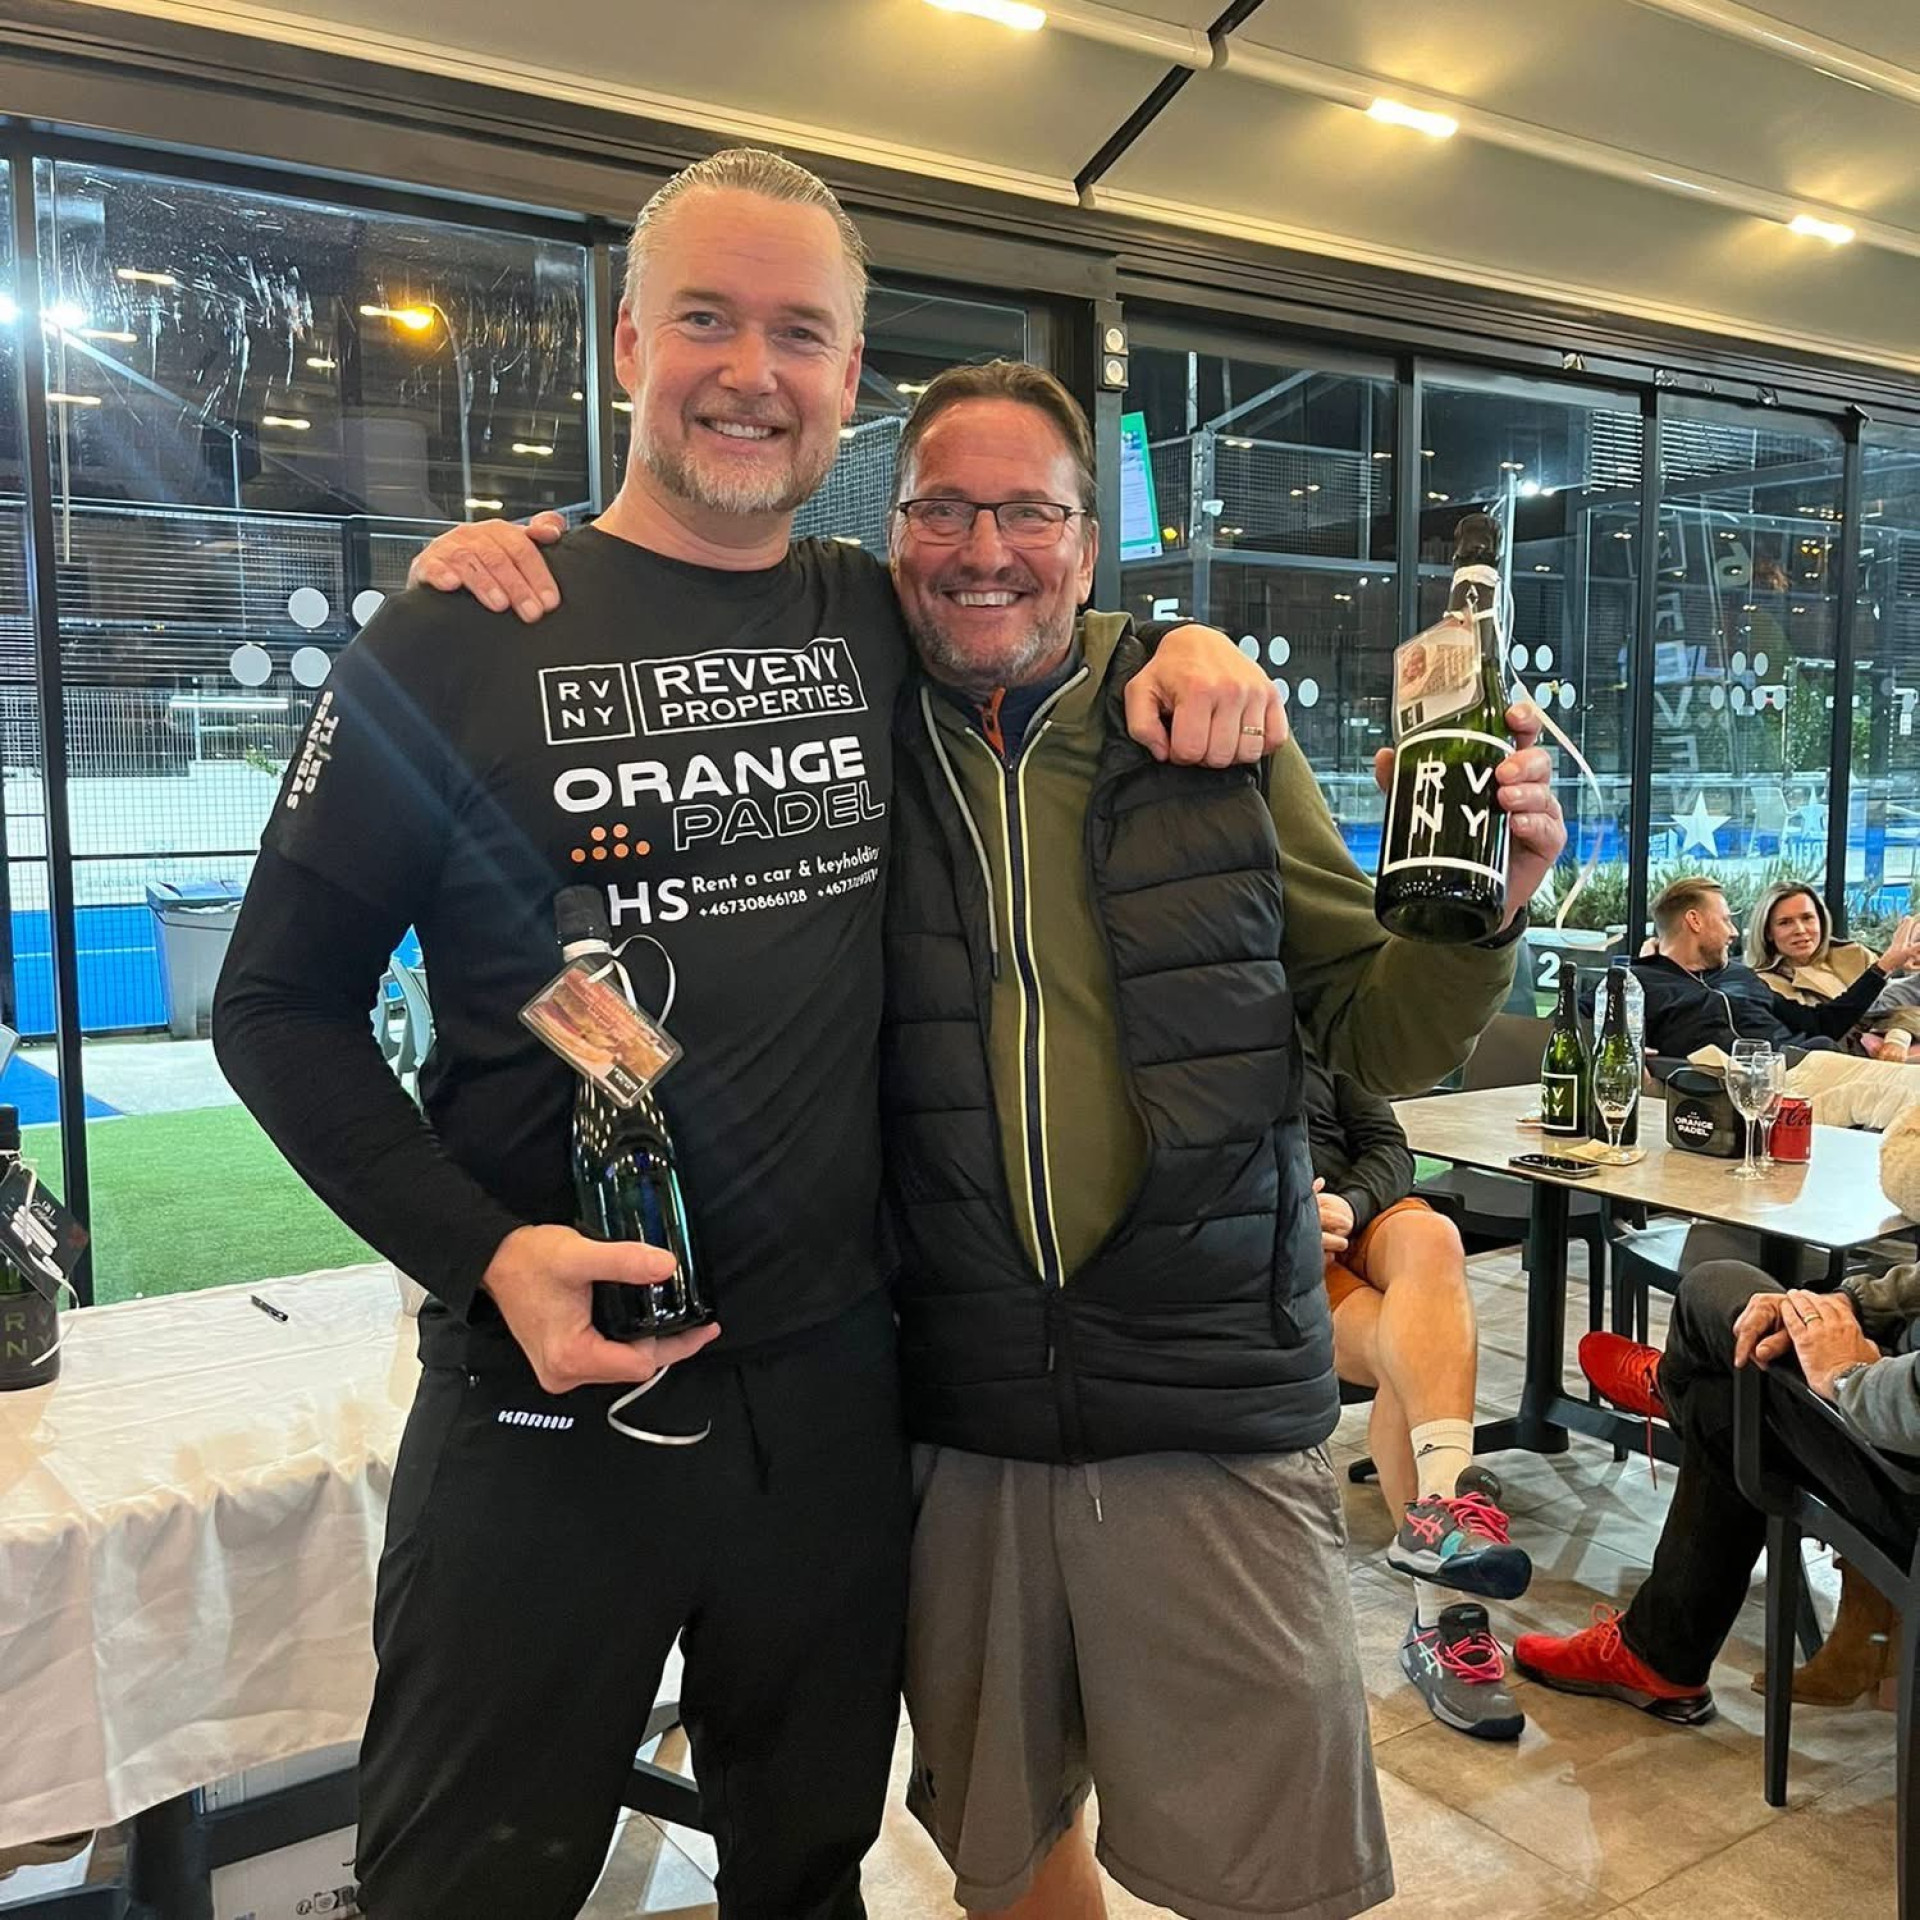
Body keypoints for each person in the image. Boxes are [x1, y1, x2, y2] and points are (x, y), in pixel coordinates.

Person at [212, 149, 1282, 1920]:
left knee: (806, 1873)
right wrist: (484, 1256)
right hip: (544, 1400)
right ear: (630, 343)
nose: (750, 371)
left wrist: (1187, 643)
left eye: (799, 334)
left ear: (848, 378)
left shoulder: (868, 612)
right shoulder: (459, 632)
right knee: (457, 1889)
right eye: (706, 318)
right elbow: (272, 1005)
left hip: (825, 1406)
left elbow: (1034, 608)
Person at [430, 359, 1570, 1919]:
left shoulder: (1210, 731)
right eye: (945, 511)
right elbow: (680, 564)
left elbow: (1383, 1039)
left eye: (1029, 512)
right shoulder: (852, 729)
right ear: (891, 533)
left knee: (1275, 1878)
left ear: (1090, 544)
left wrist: (1486, 913)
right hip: (958, 1409)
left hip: (1208, 1401)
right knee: (1013, 1864)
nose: (985, 550)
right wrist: (517, 551)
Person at [1516, 1198, 1920, 1724]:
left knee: (1711, 1296)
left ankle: (1669, 1386)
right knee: (1722, 1397)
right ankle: (1656, 1658)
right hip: (1894, 1400)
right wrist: (1844, 1304)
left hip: (1901, 1459)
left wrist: (1847, 1376)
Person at [1306, 1058, 1533, 1742]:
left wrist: (1352, 1204)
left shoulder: (1315, 1024)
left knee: (1434, 1234)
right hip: (1272, 1238)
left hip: (1361, 1213)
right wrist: (1271, 1215)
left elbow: (1387, 1144)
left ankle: (1440, 1506)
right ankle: (1443, 1615)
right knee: (1415, 1358)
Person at [1631, 876, 1920, 1059]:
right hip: (1756, 1081)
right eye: (1726, 920)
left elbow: (1822, 1023)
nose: (1733, 932)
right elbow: (1601, 1030)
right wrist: (1624, 1053)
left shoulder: (1739, 976)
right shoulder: (1638, 983)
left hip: (1812, 1061)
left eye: (1807, 918)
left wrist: (1883, 967)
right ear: (1694, 921)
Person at [1747, 882, 1920, 1062]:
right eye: (1785, 922)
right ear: (1768, 932)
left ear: (1821, 921)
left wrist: (1898, 1036)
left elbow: (1898, 1006)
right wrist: (1886, 966)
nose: (1800, 930)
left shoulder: (1853, 954)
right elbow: (1824, 1029)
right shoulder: (1765, 985)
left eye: (1807, 918)